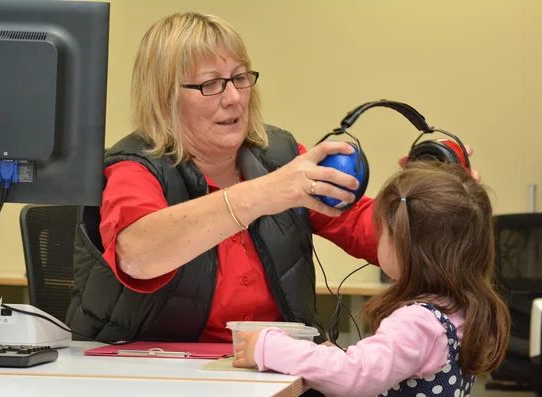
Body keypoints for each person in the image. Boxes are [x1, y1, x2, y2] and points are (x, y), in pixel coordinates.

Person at [64, 12, 478, 344]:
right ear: (163, 96)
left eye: (241, 77)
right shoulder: (133, 166)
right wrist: (262, 194)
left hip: (272, 373)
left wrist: (432, 206)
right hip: (157, 377)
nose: (233, 97)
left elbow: (377, 237)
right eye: (210, 84)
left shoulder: (279, 156)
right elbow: (137, 255)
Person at [232, 161, 510, 397]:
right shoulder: (461, 309)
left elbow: (354, 376)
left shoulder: (418, 322)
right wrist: (336, 357)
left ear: (404, 246)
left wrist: (270, 347)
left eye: (382, 231)